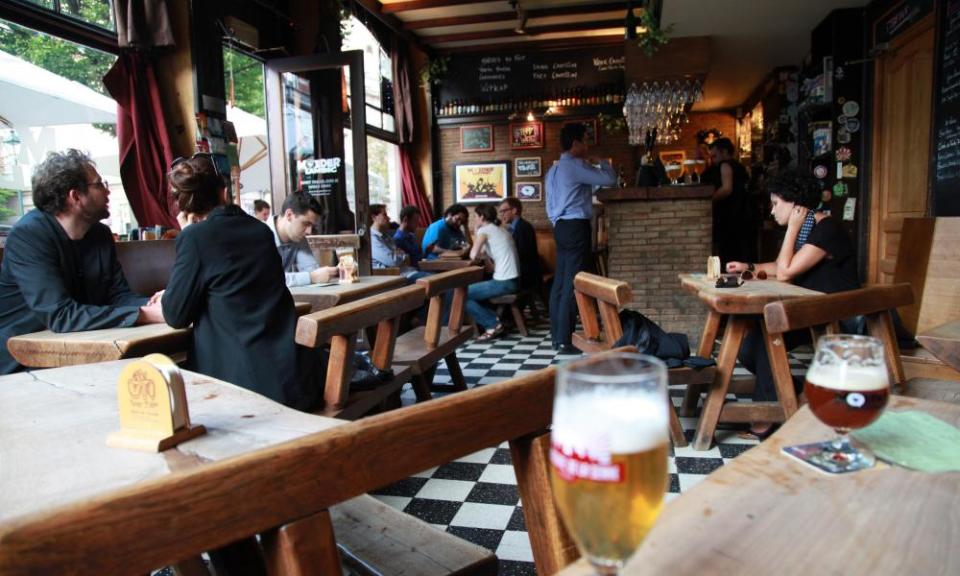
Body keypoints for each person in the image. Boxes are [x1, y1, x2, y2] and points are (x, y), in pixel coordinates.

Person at [161, 155, 323, 410]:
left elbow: (175, 314)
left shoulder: (195, 238)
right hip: (291, 382)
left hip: (241, 395)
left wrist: (188, 234)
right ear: (224, 192)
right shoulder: (261, 232)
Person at [0, 149, 164, 374]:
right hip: (22, 363)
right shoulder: (29, 236)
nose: (107, 191)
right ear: (75, 196)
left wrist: (157, 304)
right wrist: (145, 315)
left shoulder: (99, 235)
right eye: (99, 184)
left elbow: (118, 296)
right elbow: (60, 316)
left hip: (83, 351)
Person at [727, 171, 860, 438]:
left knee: (768, 334)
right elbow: (779, 266)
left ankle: (767, 417)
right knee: (749, 347)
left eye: (776, 203)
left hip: (837, 312)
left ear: (797, 206)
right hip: (811, 310)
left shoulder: (827, 229)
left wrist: (792, 228)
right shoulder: (809, 230)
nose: (772, 210)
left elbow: (786, 272)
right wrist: (748, 267)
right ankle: (795, 394)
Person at [545, 122, 616, 354]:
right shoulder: (575, 166)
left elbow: (555, 201)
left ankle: (557, 337)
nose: (588, 144)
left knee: (560, 282)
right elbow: (610, 179)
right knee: (572, 282)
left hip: (561, 227)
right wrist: (602, 160)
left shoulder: (554, 170)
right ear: (575, 144)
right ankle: (565, 341)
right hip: (576, 227)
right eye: (586, 140)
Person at [467, 204, 520, 342]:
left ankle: (492, 324)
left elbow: (473, 255)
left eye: (475, 216)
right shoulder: (501, 230)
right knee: (471, 293)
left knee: (462, 294)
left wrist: (475, 232)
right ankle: (494, 320)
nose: (474, 219)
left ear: (482, 217)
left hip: (505, 283)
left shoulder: (485, 230)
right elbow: (488, 261)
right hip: (513, 281)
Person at [265, 191, 338, 287]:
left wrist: (329, 272)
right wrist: (311, 277)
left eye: (312, 226)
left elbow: (312, 271)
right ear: (289, 215)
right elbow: (267, 280)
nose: (309, 231)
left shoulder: (297, 236)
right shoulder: (259, 236)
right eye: (306, 223)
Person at [709, 137, 758, 267]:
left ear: (724, 152)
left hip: (731, 214)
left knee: (730, 251)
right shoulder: (740, 166)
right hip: (744, 213)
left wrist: (710, 200)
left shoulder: (725, 165)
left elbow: (727, 188)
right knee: (744, 251)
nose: (713, 160)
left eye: (714, 156)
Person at [370, 204, 429, 282]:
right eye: (385, 215)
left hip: (409, 271)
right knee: (438, 281)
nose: (389, 218)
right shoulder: (373, 239)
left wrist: (399, 255)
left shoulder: (386, 236)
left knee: (440, 279)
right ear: (374, 217)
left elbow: (400, 258)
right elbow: (393, 261)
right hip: (400, 276)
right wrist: (402, 256)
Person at [498, 197, 542, 293]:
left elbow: (522, 255)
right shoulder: (514, 228)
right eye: (500, 212)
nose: (501, 215)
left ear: (514, 210)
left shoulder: (523, 227)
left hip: (525, 277)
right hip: (521, 273)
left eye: (503, 211)